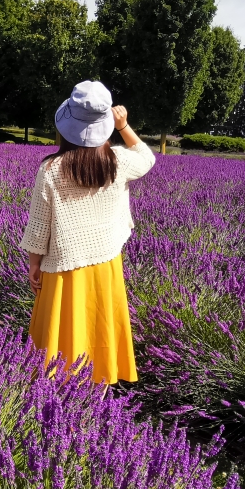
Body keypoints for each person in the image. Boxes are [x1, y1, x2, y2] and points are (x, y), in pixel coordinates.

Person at [18, 80, 155, 385]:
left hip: (64, 268)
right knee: (98, 328)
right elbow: (147, 158)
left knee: (62, 335)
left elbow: (39, 226)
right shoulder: (117, 162)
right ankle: (99, 389)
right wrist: (124, 126)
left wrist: (33, 265)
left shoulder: (51, 169)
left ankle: (60, 397)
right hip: (105, 264)